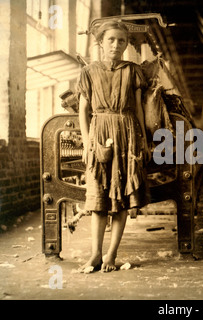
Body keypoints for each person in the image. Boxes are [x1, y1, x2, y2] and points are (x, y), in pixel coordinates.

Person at [77, 20, 151, 272]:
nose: (116, 45)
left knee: (121, 196)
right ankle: (95, 254)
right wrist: (88, 143)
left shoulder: (133, 71)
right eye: (111, 39)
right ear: (100, 43)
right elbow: (83, 110)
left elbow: (139, 108)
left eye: (121, 40)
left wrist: (143, 140)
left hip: (127, 133)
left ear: (126, 44)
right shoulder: (88, 72)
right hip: (99, 132)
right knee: (98, 197)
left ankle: (111, 254)